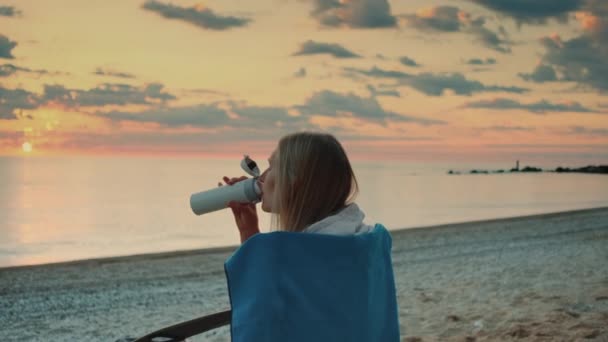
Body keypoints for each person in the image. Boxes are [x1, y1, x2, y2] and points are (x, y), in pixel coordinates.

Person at [219, 132, 400, 342]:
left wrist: (258, 248)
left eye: (272, 167)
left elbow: (260, 328)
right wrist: (250, 234)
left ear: (294, 180)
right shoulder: (367, 243)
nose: (262, 177)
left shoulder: (284, 256)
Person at [220, 131, 374, 242]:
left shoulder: (303, 252)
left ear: (297, 181)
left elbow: (257, 286)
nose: (262, 177)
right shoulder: (362, 237)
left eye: (272, 166)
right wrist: (249, 230)